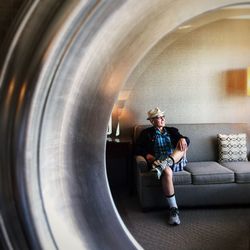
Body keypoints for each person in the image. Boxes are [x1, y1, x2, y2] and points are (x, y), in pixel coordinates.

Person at [135, 107, 190, 225]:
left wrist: (183, 139)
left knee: (184, 144)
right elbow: (136, 148)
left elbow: (186, 140)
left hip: (175, 160)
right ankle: (173, 209)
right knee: (167, 172)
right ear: (152, 121)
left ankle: (167, 163)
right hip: (159, 162)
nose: (162, 119)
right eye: (158, 118)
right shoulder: (146, 133)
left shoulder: (172, 130)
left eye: (162, 117)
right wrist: (147, 155)